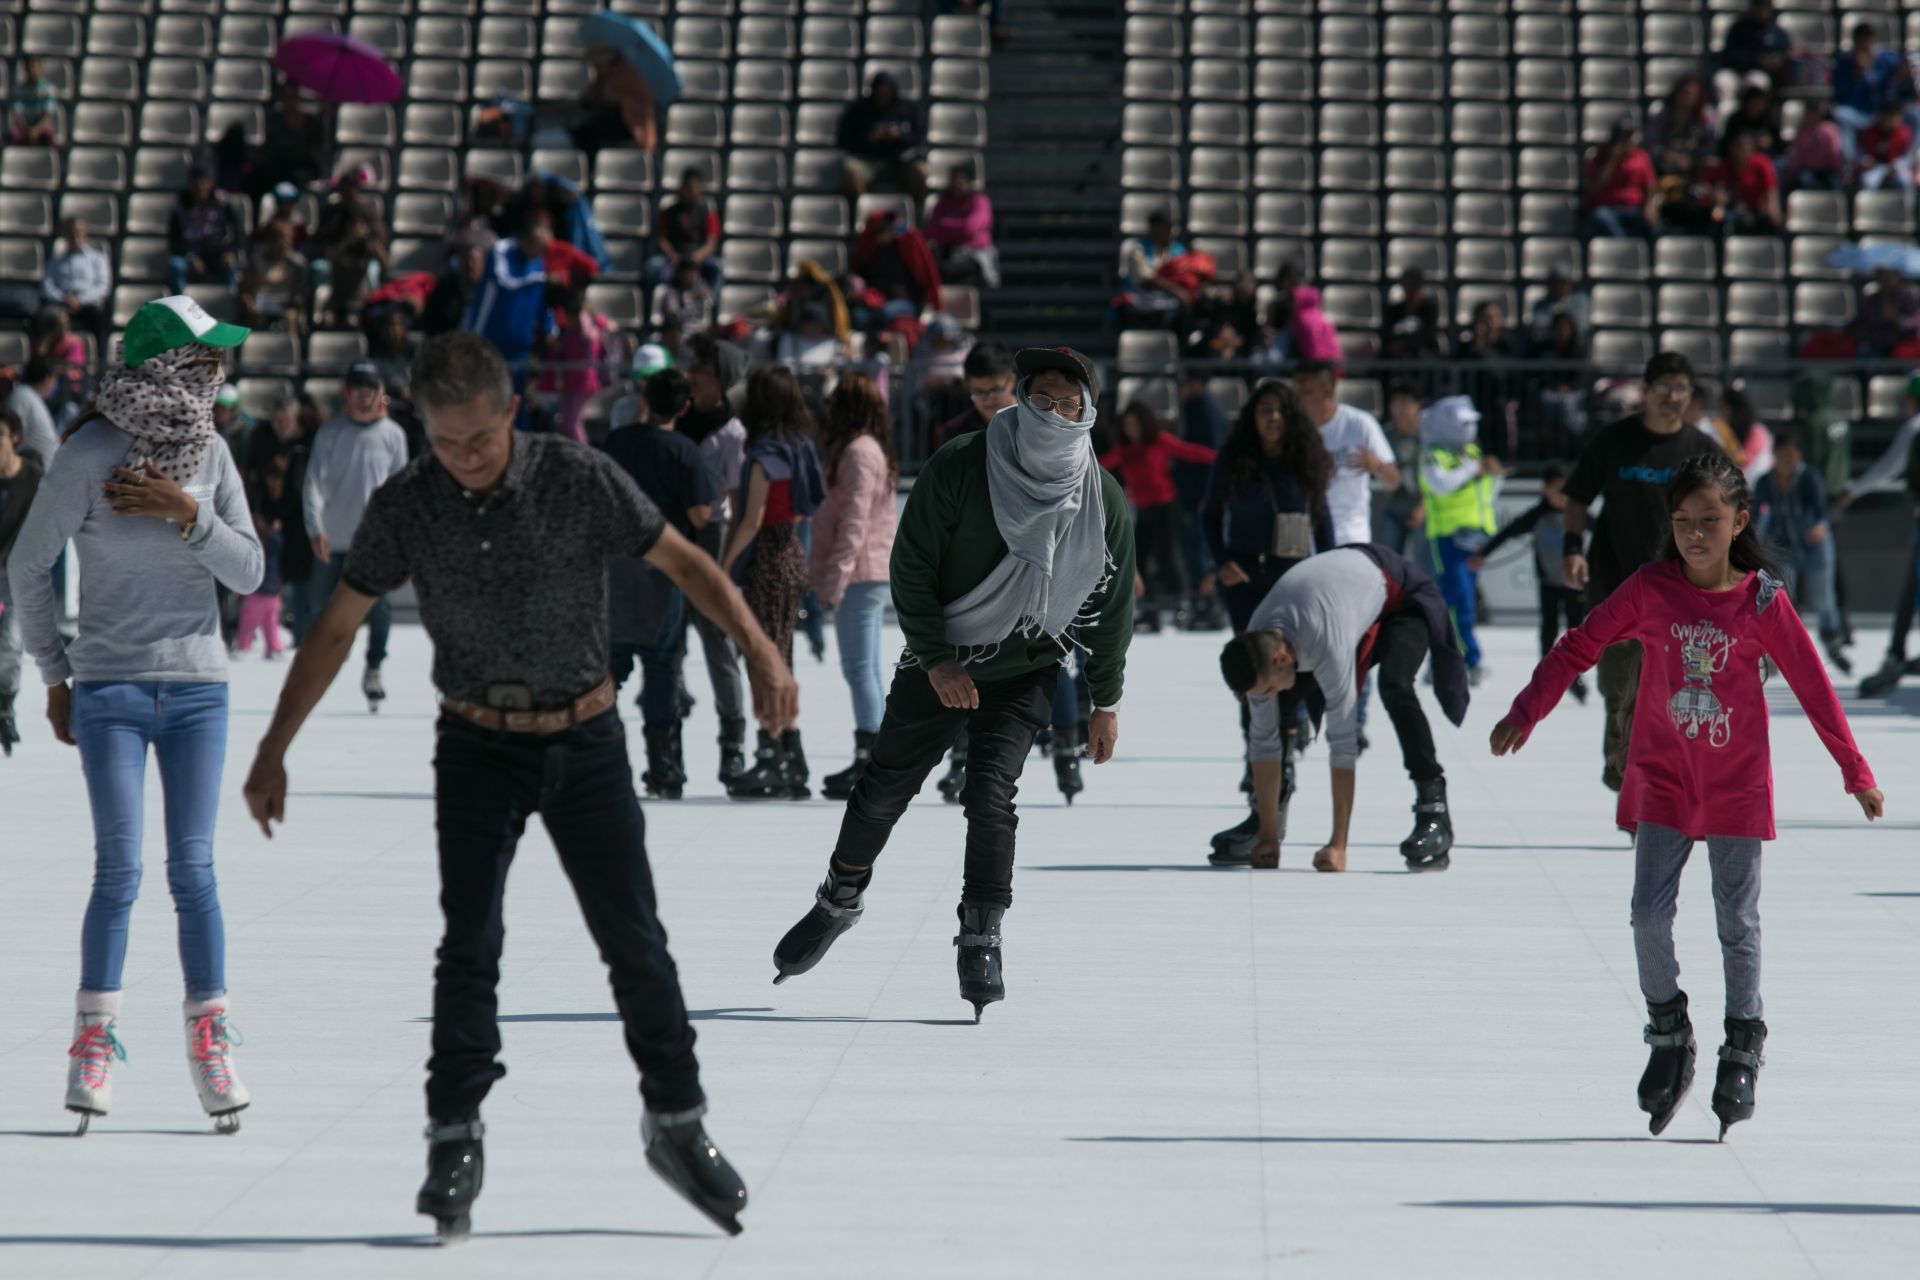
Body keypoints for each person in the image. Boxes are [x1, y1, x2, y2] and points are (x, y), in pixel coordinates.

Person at [241, 332, 794, 1240]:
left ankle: (678, 1121)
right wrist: (273, 749)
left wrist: (762, 651)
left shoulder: (578, 477)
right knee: (470, 946)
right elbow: (338, 627)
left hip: (586, 739)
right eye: (445, 442)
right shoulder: (408, 503)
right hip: (476, 745)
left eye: (479, 440)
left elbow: (685, 562)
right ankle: (453, 1136)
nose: (462, 459)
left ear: (510, 414)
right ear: (421, 426)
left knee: (637, 945)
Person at [1491, 453, 1882, 1140]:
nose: (1695, 534)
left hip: (1734, 784)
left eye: (1709, 520)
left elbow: (1815, 688)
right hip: (1664, 778)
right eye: (1682, 522)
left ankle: (1742, 1044)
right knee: (1646, 915)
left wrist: (1855, 771)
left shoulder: (1763, 601)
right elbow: (1581, 645)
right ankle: (1668, 1031)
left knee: (1737, 919)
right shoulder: (1650, 587)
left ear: (1740, 520)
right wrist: (1528, 709)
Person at [769, 347, 1135, 1020]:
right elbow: (911, 566)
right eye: (1042, 400)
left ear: (1089, 412)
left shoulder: (1102, 498)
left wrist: (1104, 701)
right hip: (944, 660)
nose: (1054, 414)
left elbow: (1111, 610)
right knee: (882, 788)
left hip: (1026, 666)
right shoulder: (964, 463)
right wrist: (937, 659)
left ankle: (981, 932)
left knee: (990, 794)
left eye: (1069, 403)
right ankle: (839, 900)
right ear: (1020, 401)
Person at [8, 295, 262, 1135]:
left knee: (194, 870)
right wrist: (55, 677)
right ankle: (92, 1043)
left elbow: (253, 573)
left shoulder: (212, 453)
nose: (215, 374)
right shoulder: (88, 453)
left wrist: (187, 516)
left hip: (197, 688)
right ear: (162, 366)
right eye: (201, 360)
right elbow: (26, 565)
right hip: (111, 687)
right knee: (118, 870)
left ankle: (210, 1041)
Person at [1219, 542, 1470, 873]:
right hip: (1342, 600)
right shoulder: (1258, 644)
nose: (1264, 695)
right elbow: (1263, 742)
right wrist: (1267, 840)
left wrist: (1338, 845)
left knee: (1395, 686)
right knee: (1274, 711)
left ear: (1281, 659)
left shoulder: (1325, 640)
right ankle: (1267, 819)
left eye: (1265, 688)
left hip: (1400, 598)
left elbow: (1343, 743)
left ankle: (1433, 810)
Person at [1562, 352, 1721, 793]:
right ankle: (1625, 776)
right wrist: (1572, 549)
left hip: (1684, 593)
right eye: (1664, 388)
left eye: (1681, 390)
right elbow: (1577, 499)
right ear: (1646, 392)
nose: (1672, 398)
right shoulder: (1614, 442)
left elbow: (1730, 512)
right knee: (1621, 691)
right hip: (1617, 588)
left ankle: (1654, 787)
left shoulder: (1703, 452)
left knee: (1679, 695)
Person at [1198, 380, 1337, 865]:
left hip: (1293, 577)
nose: (1272, 419)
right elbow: (1210, 515)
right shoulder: (1234, 459)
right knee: (1254, 681)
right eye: (1263, 412)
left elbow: (1322, 523)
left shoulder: (1307, 460)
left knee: (1292, 679)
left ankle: (1283, 765)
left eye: (1279, 411)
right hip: (1246, 579)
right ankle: (1263, 785)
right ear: (1251, 418)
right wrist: (1220, 562)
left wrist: (1331, 571)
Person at [603, 368, 715, 800]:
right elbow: (702, 515)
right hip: (664, 573)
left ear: (644, 399)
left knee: (610, 666)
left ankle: (600, 756)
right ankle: (665, 767)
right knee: (662, 665)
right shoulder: (686, 452)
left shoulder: (617, 443)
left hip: (615, 568)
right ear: (685, 408)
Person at [720, 368, 825, 799]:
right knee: (779, 656)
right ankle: (790, 753)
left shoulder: (766, 453)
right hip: (790, 554)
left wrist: (723, 566)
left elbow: (751, 519)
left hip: (766, 558)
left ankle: (772, 751)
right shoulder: (800, 445)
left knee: (764, 658)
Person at [810, 373, 900, 800]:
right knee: (864, 667)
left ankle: (874, 761)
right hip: (864, 571)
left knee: (860, 668)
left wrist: (835, 579)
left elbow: (855, 523)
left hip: (861, 573)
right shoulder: (862, 449)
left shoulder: (859, 453)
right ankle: (874, 755)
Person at [303, 363, 409, 710]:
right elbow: (313, 483)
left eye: (370, 387)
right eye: (358, 387)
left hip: (373, 543)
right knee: (320, 605)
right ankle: (332, 658)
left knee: (380, 612)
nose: (364, 394)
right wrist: (315, 528)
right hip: (333, 538)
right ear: (347, 392)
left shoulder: (393, 435)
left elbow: (399, 492)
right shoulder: (331, 432)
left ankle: (374, 667)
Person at [677, 335, 752, 781]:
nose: (691, 378)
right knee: (665, 636)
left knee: (716, 640)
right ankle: (668, 733)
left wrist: (726, 564)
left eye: (700, 372)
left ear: (720, 380)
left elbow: (740, 502)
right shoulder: (679, 419)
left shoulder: (732, 432)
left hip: (713, 535)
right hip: (676, 534)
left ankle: (733, 741)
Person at [1472, 461, 1588, 703]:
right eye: (1557, 488)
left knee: (1577, 629)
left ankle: (1574, 674)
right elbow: (1508, 532)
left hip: (1575, 583)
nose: (1562, 495)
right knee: (1549, 628)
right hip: (1548, 583)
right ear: (1545, 489)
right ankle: (1547, 674)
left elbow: (1606, 532)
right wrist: (1483, 554)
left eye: (1566, 489)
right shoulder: (1537, 515)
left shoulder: (1577, 515)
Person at [1100, 401, 1217, 631]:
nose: (1131, 430)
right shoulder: (1124, 450)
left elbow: (1189, 452)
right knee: (1138, 559)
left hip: (1164, 508)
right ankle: (1149, 607)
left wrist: (1219, 457)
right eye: (1127, 425)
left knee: (1169, 557)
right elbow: (1102, 464)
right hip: (1144, 510)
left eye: (1135, 424)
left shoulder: (1159, 442)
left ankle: (1183, 603)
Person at [1843, 376, 1920, 697]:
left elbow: (1890, 466)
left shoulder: (1915, 428)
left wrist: (1855, 490)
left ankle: (1895, 653)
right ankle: (1896, 651)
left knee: (1912, 588)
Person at [1417, 395, 1502, 681]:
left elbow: (1485, 495)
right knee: (1457, 601)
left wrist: (1493, 475)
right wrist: (1472, 471)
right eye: (1463, 423)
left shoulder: (1472, 453)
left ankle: (1444, 663)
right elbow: (1439, 484)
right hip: (1448, 537)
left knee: (1464, 602)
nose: (1469, 429)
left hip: (1474, 539)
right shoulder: (1433, 453)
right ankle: (1465, 660)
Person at [1754, 430, 1850, 672]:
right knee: (1781, 597)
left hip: (1813, 546)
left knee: (1823, 595)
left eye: (1792, 454)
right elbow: (1758, 515)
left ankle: (1833, 641)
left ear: (1799, 455)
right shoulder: (1765, 481)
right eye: (1782, 454)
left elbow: (1821, 510)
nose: (1787, 459)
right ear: (1774, 455)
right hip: (1783, 547)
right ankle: (1777, 649)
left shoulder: (1810, 477)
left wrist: (1819, 525)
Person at [1293, 360, 1398, 549]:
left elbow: (1393, 482)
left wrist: (1378, 467)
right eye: (1296, 392)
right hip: (1304, 539)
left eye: (1306, 392)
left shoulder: (1359, 424)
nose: (1298, 399)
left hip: (1350, 535)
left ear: (1327, 391)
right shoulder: (1291, 430)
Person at [461, 214, 553, 404]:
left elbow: (541, 298)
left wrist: (549, 327)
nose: (543, 252)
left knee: (515, 401)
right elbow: (505, 280)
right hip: (490, 340)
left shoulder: (539, 262)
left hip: (519, 346)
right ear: (526, 239)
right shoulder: (501, 250)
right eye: (540, 245)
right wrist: (541, 279)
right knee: (486, 398)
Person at [0, 406, 47, 754]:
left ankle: (4, 705)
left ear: (14, 437)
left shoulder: (33, 475)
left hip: (16, 575)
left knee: (10, 645)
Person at [536, 285, 612, 446]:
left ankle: (585, 456)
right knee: (564, 423)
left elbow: (592, 333)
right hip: (568, 382)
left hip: (582, 382)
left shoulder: (587, 327)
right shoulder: (571, 331)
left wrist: (582, 315)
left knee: (573, 423)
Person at [837, 72, 929, 203]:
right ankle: (859, 214)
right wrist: (870, 138)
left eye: (887, 91)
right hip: (867, 159)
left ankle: (914, 213)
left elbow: (919, 139)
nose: (883, 94)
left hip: (901, 160)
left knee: (920, 172)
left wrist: (899, 137)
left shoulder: (909, 109)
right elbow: (843, 141)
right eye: (880, 91)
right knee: (849, 175)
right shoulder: (858, 110)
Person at [644, 169, 725, 302]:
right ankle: (649, 306)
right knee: (652, 267)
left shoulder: (708, 213)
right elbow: (661, 238)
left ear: (700, 190)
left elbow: (711, 242)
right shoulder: (668, 212)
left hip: (697, 258)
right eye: (686, 189)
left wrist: (698, 256)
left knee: (717, 267)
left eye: (692, 189)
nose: (688, 193)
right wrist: (672, 255)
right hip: (674, 258)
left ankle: (711, 304)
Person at [1831, 22, 1909, 156]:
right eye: (1860, 42)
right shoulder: (1845, 63)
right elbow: (1841, 96)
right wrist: (1858, 73)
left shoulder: (1887, 59)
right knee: (1841, 114)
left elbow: (1902, 77)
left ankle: (1909, 162)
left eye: (1867, 41)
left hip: (1885, 113)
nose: (1864, 45)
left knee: (1915, 116)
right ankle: (1850, 163)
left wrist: (1868, 71)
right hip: (1859, 115)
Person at [166, 167, 244, 297]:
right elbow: (174, 240)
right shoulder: (180, 206)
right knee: (176, 266)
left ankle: (232, 305)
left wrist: (229, 251)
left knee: (231, 265)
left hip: (218, 254)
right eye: (195, 183)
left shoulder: (223, 204)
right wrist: (191, 256)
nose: (199, 187)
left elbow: (237, 233)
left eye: (203, 182)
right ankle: (179, 306)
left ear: (210, 183)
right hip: (191, 255)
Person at [42, 218, 113, 359]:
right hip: (62, 304)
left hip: (87, 305)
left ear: (84, 234)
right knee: (46, 318)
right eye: (71, 233)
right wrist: (63, 298)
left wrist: (80, 300)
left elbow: (103, 286)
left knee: (100, 320)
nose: (75, 237)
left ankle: (101, 361)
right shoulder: (55, 261)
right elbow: (46, 287)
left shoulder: (97, 258)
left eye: (78, 233)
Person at [923, 164, 1001, 288]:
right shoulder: (943, 202)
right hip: (946, 251)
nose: (956, 185)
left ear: (969, 183)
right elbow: (930, 228)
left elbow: (969, 228)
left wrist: (943, 225)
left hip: (973, 255)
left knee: (947, 271)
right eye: (954, 181)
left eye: (960, 181)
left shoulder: (979, 201)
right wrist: (956, 228)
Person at [574, 44, 659, 156]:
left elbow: (630, 105)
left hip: (632, 125)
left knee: (588, 132)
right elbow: (587, 98)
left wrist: (613, 96)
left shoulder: (625, 73)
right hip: (616, 120)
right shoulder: (604, 75)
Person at [1377, 381, 1427, 563]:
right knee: (1389, 563)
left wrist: (1424, 507)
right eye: (1395, 403)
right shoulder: (1384, 435)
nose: (1400, 409)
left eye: (1406, 403)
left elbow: (1439, 476)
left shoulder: (1428, 436)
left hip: (1424, 506)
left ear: (1418, 406)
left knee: (1423, 564)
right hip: (1393, 506)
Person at [1585, 119, 1660, 240]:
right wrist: (1612, 161)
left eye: (1629, 138)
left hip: (1635, 209)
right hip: (1609, 208)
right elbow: (1595, 187)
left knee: (1654, 227)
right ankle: (1624, 245)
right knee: (1601, 217)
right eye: (1623, 138)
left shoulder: (1641, 156)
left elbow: (1651, 186)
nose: (1626, 143)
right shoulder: (1600, 157)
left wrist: (1650, 207)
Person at [236, 220, 312, 337]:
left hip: (284, 307)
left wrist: (291, 301)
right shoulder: (256, 262)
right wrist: (250, 304)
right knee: (256, 319)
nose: (283, 243)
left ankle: (290, 350)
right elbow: (244, 290)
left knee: (291, 317)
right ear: (270, 240)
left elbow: (301, 296)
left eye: (287, 239)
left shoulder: (298, 265)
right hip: (259, 308)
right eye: (279, 238)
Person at [1699, 129, 1784, 234]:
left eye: (1747, 146)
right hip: (1733, 211)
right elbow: (1703, 181)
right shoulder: (1725, 166)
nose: (1743, 150)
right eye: (1739, 146)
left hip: (1757, 212)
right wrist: (1713, 194)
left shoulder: (1762, 163)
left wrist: (1773, 209)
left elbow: (1771, 189)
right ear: (1731, 148)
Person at [936, 342, 1016, 452]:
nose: (988, 399)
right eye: (979, 392)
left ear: (1011, 380)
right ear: (968, 387)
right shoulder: (956, 432)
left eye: (995, 390)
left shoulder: (1032, 421)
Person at [1118, 209, 1193, 326]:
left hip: (1168, 301)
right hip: (1141, 300)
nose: (1169, 234)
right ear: (1154, 230)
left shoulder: (1178, 250)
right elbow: (1145, 280)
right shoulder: (1138, 250)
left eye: (1169, 230)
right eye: (1163, 230)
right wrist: (1175, 290)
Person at [1721, 0, 1795, 87]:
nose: (1761, 12)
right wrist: (1757, 60)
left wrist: (1775, 60)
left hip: (1763, 74)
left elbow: (1784, 53)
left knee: (1756, 81)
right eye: (1758, 7)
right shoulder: (1738, 29)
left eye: (1765, 8)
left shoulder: (1777, 32)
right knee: (1723, 81)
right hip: (1736, 71)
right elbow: (1730, 54)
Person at [1382, 267, 1446, 360]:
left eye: (1414, 284)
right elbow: (1387, 334)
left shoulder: (1428, 309)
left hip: (1421, 356)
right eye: (1407, 284)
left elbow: (1429, 334)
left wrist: (1406, 345)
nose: (1410, 288)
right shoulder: (1394, 310)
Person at [7, 357, 62, 465]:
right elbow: (9, 435)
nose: (55, 384)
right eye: (55, 379)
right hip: (34, 475)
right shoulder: (22, 396)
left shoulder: (31, 397)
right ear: (47, 378)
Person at [1782, 102, 1846, 191]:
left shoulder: (1830, 129)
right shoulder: (1802, 132)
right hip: (1808, 169)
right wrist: (1791, 175)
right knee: (1805, 180)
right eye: (1809, 113)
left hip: (1828, 169)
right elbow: (1797, 157)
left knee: (1836, 183)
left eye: (1815, 113)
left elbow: (1835, 152)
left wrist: (1840, 172)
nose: (1812, 116)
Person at [1853, 99, 1915, 190]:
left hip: (1896, 167)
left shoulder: (1904, 133)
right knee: (1867, 181)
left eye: (1894, 116)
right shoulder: (1869, 132)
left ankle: (1908, 204)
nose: (1890, 120)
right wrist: (1866, 160)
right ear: (1880, 116)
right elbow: (1860, 153)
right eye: (1887, 115)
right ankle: (1869, 204)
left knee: (1905, 181)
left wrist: (1897, 164)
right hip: (1875, 167)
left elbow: (1909, 155)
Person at [1529, 264, 1593, 346]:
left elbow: (1582, 328)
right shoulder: (1540, 305)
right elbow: (1538, 331)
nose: (1561, 286)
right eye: (1557, 282)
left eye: (1564, 282)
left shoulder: (1581, 301)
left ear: (1570, 283)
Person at [6, 56, 59, 146]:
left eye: (33, 66)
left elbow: (48, 116)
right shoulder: (18, 89)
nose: (31, 70)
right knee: (13, 134)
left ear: (41, 68)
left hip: (41, 127)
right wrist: (27, 130)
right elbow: (17, 115)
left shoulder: (49, 89)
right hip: (23, 127)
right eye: (28, 67)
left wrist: (36, 131)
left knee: (48, 134)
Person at [658, 256, 714, 336]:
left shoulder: (699, 289)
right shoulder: (671, 293)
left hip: (700, 334)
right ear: (680, 274)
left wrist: (705, 297)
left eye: (695, 273)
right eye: (689, 272)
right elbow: (675, 318)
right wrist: (690, 298)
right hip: (680, 334)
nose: (693, 276)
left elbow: (710, 303)